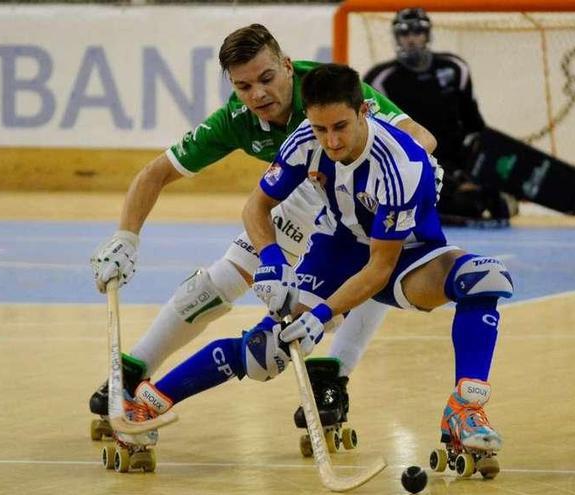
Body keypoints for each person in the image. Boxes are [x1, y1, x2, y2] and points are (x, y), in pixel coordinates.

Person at [120, 64, 512, 478]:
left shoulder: (401, 165)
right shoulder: (306, 139)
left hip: (407, 259)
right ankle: (149, 400)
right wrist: (271, 258)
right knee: (266, 351)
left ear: (365, 111)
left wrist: (321, 316)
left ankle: (465, 409)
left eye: (340, 126)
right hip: (336, 250)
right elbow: (256, 206)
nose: (332, 141)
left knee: (486, 277)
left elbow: (379, 268)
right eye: (320, 129)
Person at [88, 24, 437, 438]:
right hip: (296, 197)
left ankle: (332, 378)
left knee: (376, 261)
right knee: (215, 285)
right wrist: (125, 238)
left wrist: (373, 181)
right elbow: (155, 174)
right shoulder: (237, 120)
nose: (257, 95)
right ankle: (135, 369)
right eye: (243, 86)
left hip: (361, 195)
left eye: (266, 79)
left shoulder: (328, 91)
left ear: (287, 67)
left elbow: (422, 138)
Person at [363, 7, 515, 228]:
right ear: (397, 37)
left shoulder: (454, 67)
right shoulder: (380, 79)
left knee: (496, 190)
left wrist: (477, 170)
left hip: (457, 161)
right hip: (412, 162)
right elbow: (374, 132)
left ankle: (482, 193)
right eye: (405, 33)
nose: (411, 39)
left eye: (417, 32)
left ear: (427, 34)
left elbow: (475, 125)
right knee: (463, 204)